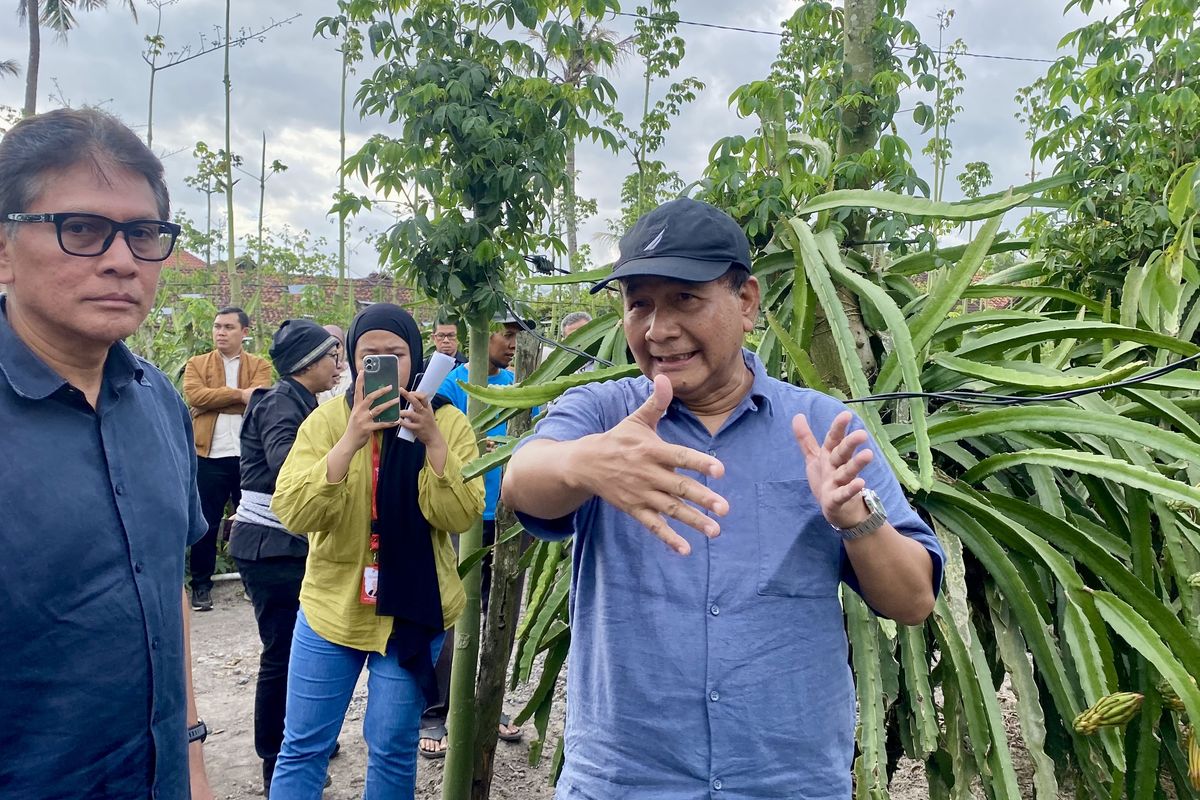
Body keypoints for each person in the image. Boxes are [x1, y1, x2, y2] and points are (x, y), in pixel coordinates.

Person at [501, 197, 945, 799]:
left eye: (684, 298)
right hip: (625, 781)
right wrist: (586, 462)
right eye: (640, 305)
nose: (659, 329)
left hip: (786, 782)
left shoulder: (821, 427)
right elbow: (521, 478)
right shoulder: (604, 415)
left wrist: (854, 519)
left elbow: (914, 599)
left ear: (746, 303)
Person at [0, 107, 213, 799]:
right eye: (83, 229)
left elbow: (167, 586)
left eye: (143, 233)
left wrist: (194, 759)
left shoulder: (160, 404)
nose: (122, 260)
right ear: (4, 247)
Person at [268, 303, 484, 799]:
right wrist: (350, 440)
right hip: (333, 608)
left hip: (413, 611)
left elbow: (460, 516)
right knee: (302, 746)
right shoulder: (326, 422)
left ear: (417, 358)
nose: (386, 363)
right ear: (352, 358)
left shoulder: (447, 424)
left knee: (392, 747)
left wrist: (431, 443)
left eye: (397, 354)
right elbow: (295, 512)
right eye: (371, 355)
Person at [229, 319, 342, 797]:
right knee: (282, 654)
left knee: (292, 650)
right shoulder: (280, 403)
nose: (339, 365)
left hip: (284, 543)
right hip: (270, 545)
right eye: (332, 357)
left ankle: (297, 746)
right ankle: (276, 760)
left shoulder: (297, 400)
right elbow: (285, 468)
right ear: (308, 364)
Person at [419, 313, 529, 757]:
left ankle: (490, 704)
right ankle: (436, 712)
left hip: (510, 515)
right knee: (450, 616)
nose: (512, 344)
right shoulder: (451, 383)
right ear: (480, 334)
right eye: (506, 334)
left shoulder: (527, 384)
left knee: (499, 615)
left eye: (519, 337)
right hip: (462, 515)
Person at [183, 305, 273, 611]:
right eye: (217, 327)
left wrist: (216, 398)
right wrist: (238, 395)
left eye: (228, 327)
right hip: (208, 455)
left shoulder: (259, 364)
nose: (220, 332)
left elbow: (261, 398)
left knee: (249, 522)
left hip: (248, 458)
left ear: (244, 332)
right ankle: (201, 586)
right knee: (205, 523)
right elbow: (196, 397)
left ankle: (251, 582)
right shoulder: (197, 363)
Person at [316, 323, 351, 404]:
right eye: (327, 347)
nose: (334, 352)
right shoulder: (315, 375)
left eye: (337, 346)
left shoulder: (354, 374)